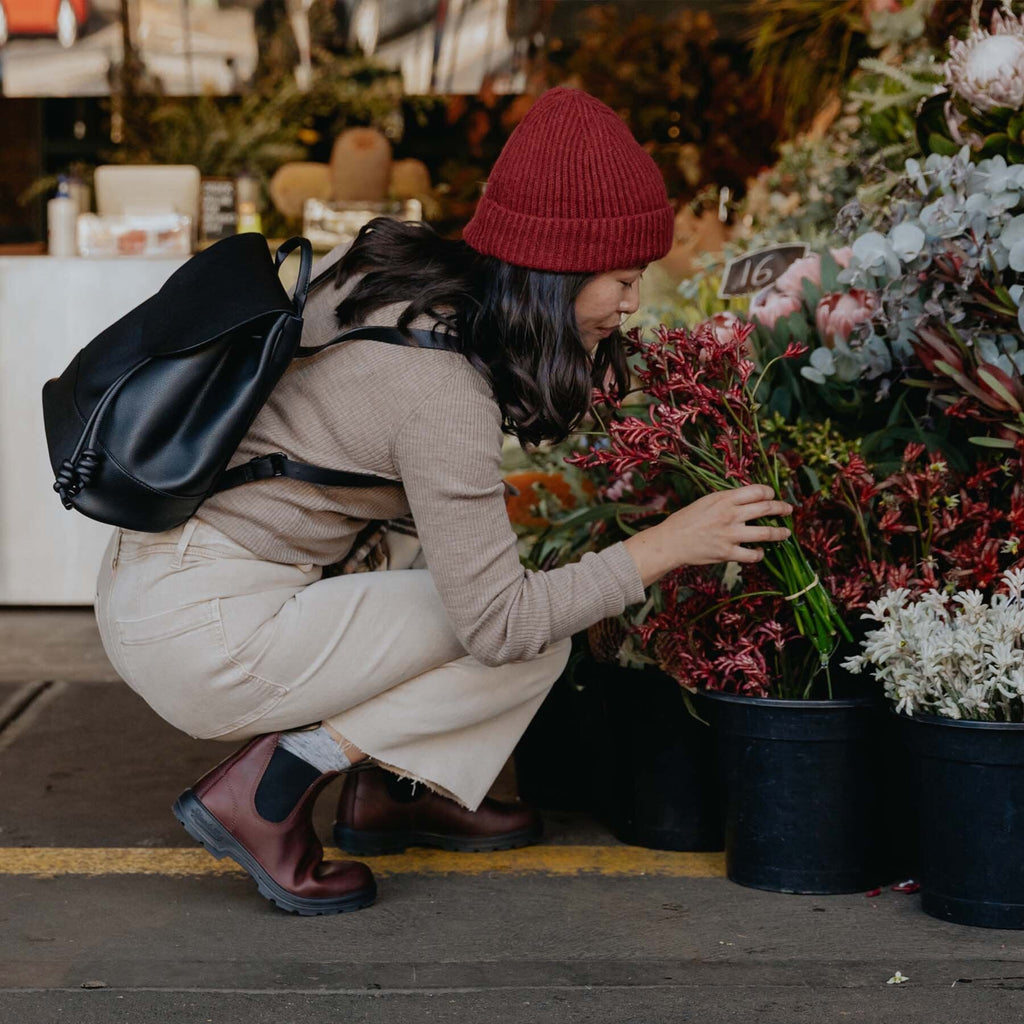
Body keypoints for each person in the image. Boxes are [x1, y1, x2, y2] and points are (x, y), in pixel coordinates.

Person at [93, 88, 792, 916]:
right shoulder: (444, 390)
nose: (634, 303)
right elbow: (499, 624)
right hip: (208, 633)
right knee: (527, 640)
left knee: (450, 563)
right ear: (558, 269)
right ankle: (269, 790)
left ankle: (392, 791)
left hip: (156, 580)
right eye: (625, 277)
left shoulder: (398, 281)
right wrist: (666, 544)